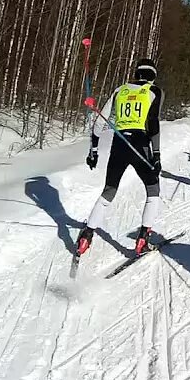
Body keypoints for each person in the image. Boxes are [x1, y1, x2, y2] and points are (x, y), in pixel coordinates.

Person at [76, 58, 163, 256]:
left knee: (109, 190)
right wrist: (156, 155)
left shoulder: (120, 90)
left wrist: (94, 151)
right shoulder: (154, 92)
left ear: (136, 73)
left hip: (120, 144)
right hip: (140, 146)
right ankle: (143, 238)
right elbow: (153, 125)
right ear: (152, 75)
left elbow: (99, 124)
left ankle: (86, 236)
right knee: (153, 190)